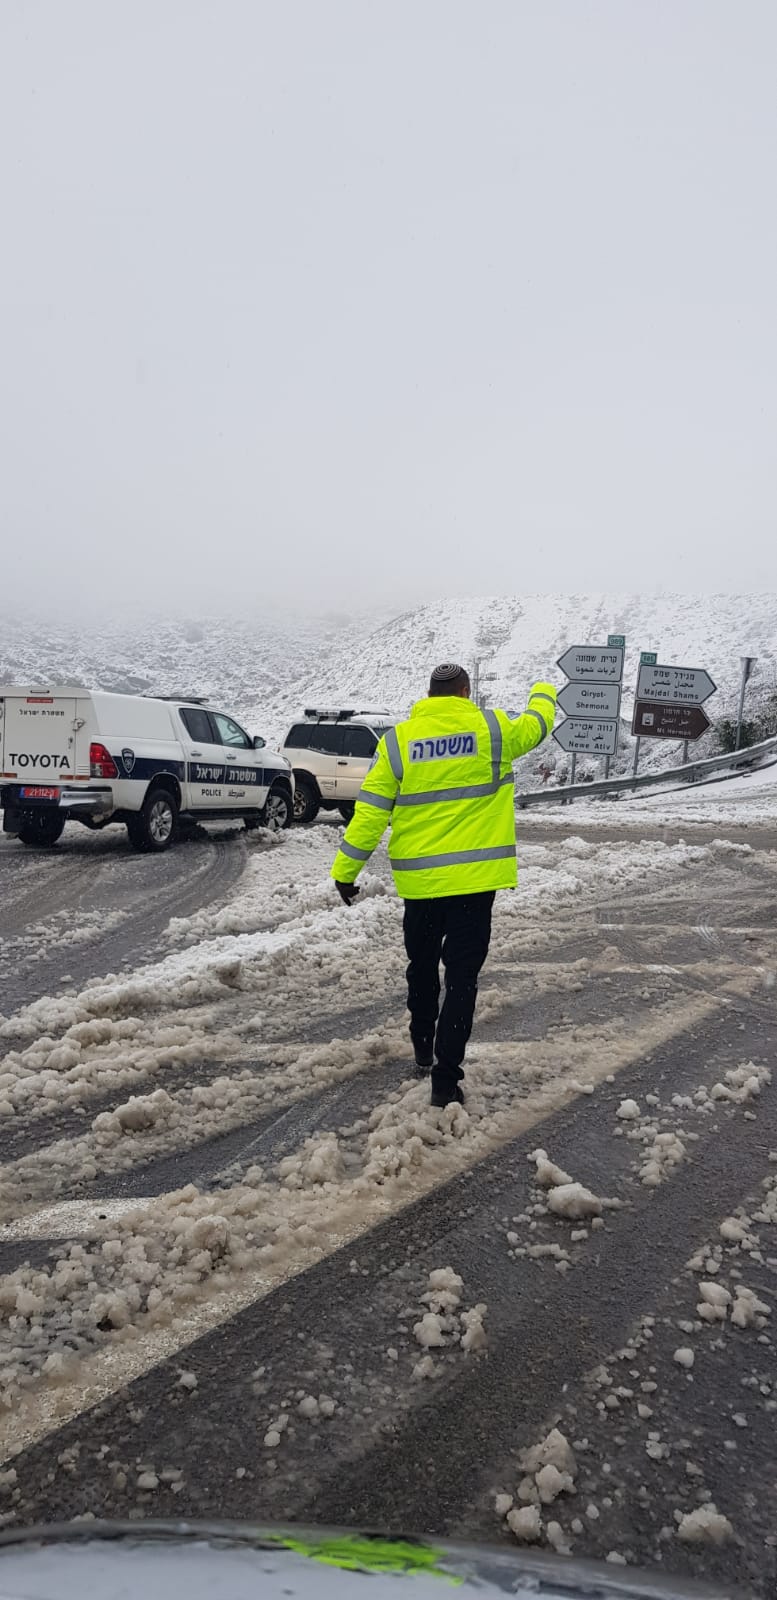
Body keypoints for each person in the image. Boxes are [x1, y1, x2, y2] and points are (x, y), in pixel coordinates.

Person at [330, 662, 557, 1107]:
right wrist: (544, 690)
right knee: (462, 980)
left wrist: (346, 870)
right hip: (474, 884)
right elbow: (537, 726)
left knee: (421, 967)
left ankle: (421, 1048)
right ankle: (445, 1079)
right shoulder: (493, 730)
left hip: (421, 884)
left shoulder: (398, 742)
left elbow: (371, 811)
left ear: (429, 696)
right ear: (466, 692)